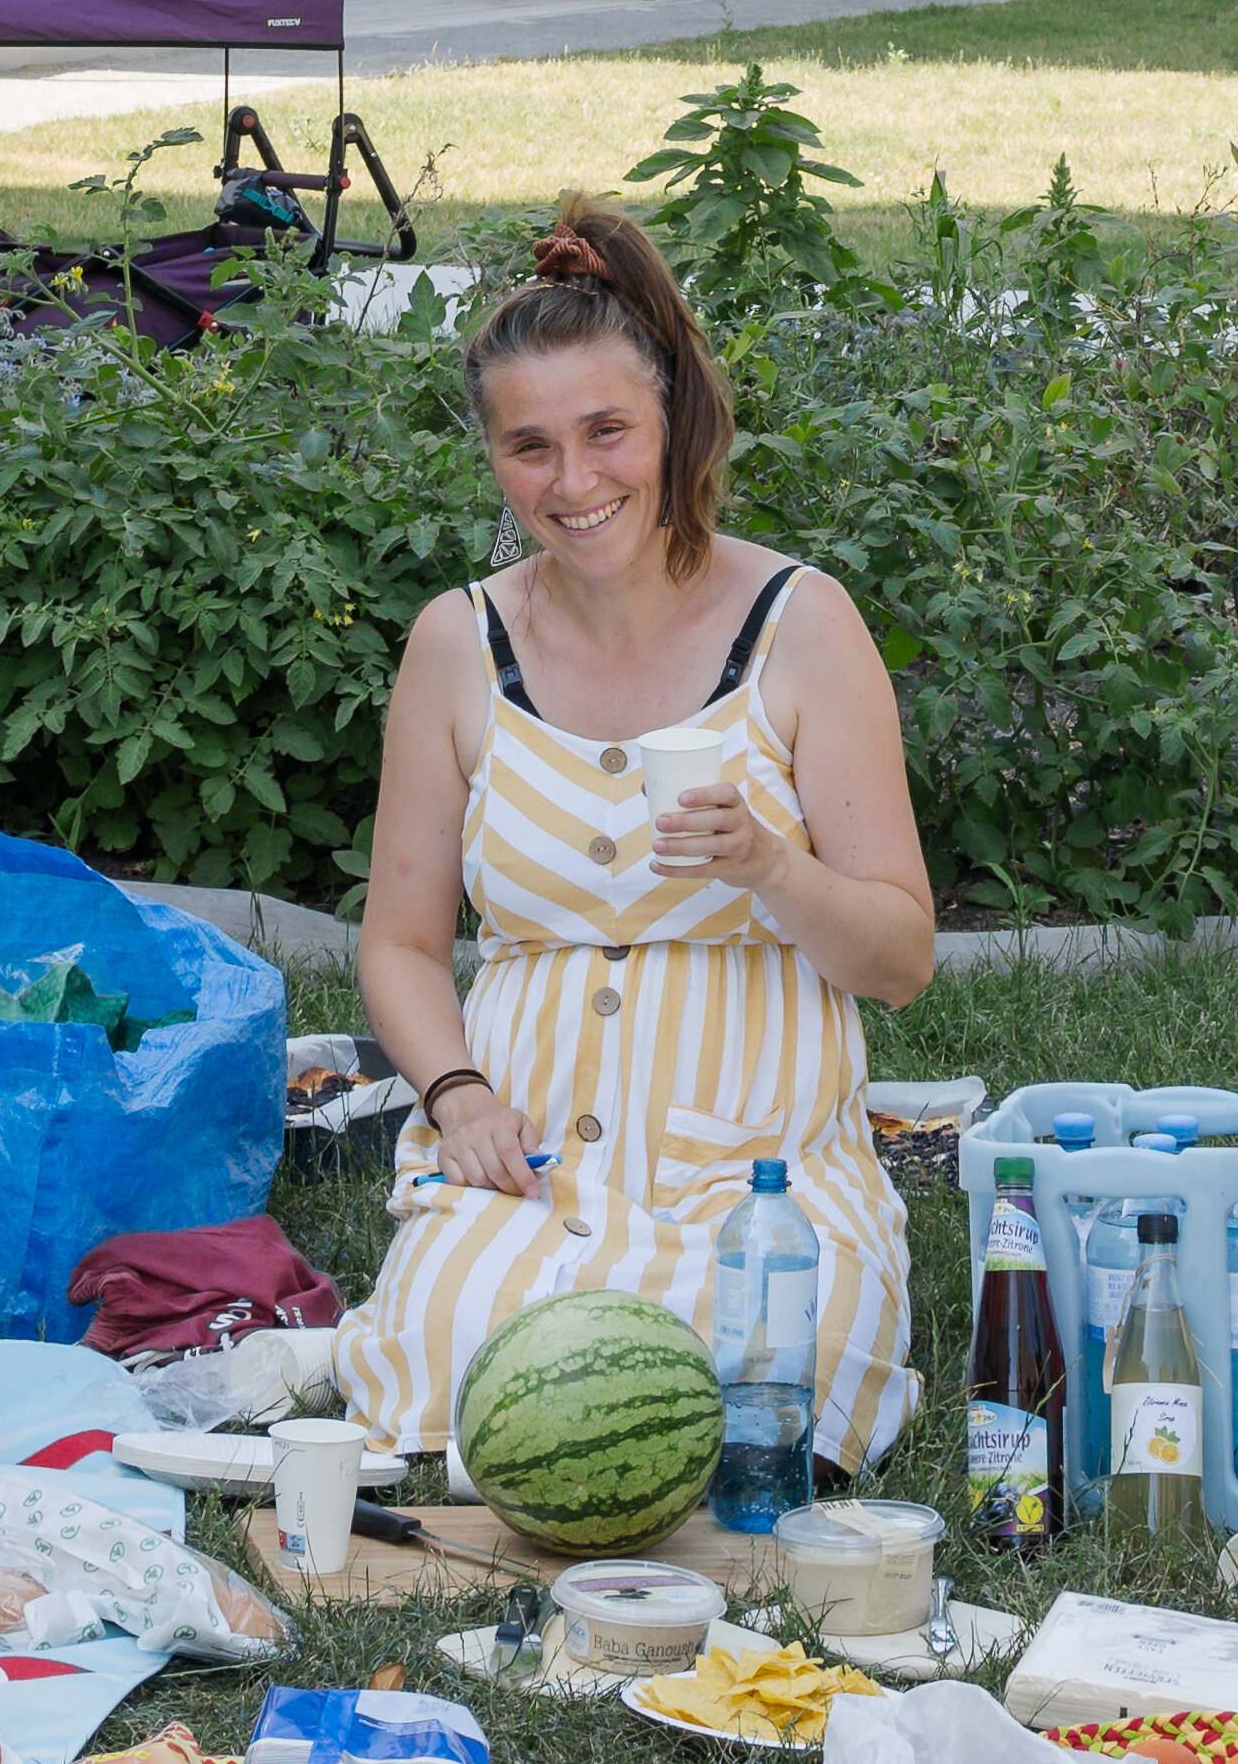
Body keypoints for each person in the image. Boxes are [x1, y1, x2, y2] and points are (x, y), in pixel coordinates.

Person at [334, 206, 946, 1471]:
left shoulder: (800, 623)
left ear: (672, 421)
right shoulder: (458, 643)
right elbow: (399, 941)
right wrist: (456, 1096)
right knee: (456, 1361)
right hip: (529, 1156)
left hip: (759, 1173)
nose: (573, 481)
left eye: (606, 430)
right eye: (530, 447)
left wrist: (772, 865)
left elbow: (898, 959)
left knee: (780, 1376)